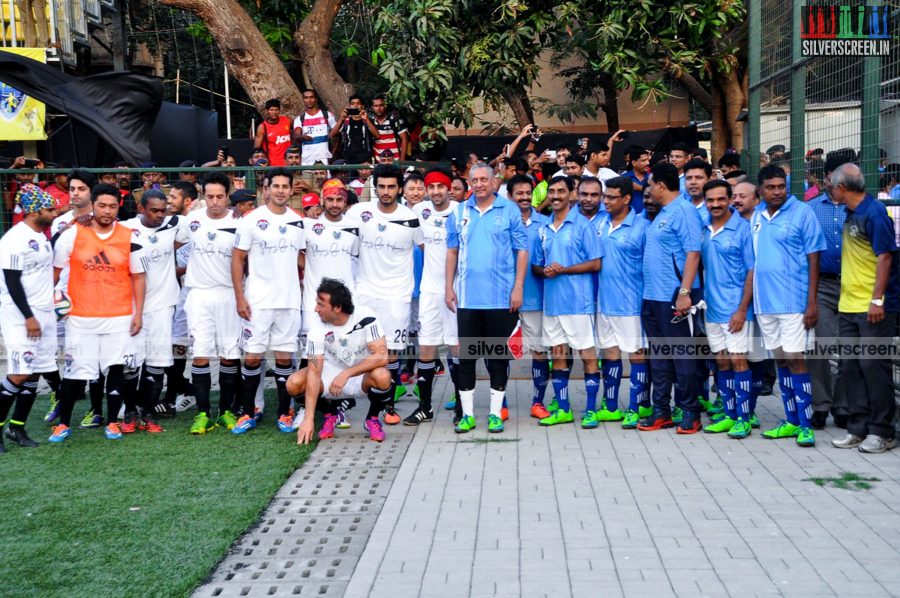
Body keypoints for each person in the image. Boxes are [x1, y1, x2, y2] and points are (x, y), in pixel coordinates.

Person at [48, 183, 147, 443]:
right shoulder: (73, 234)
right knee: (74, 373)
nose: (106, 211)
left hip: (118, 315)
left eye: (112, 206)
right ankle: (63, 424)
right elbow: (55, 272)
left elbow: (138, 277)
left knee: (114, 369)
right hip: (80, 316)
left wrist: (138, 314)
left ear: (118, 208)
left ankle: (112, 422)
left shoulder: (130, 236)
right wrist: (53, 300)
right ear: (92, 205)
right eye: (101, 205)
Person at [445, 163, 527, 433]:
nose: (479, 184)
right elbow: (452, 252)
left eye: (484, 179)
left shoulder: (510, 210)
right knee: (467, 358)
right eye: (474, 180)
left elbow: (522, 250)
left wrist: (518, 288)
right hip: (468, 300)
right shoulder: (459, 213)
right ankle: (467, 415)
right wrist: (449, 286)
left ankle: (494, 413)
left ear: (494, 182)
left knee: (497, 359)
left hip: (500, 299)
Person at [751, 165, 826, 447]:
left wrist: (811, 302)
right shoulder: (756, 216)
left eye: (781, 186)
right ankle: (791, 420)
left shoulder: (802, 212)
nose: (777, 191)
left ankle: (806, 425)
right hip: (765, 303)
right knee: (781, 360)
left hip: (794, 302)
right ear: (761, 190)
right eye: (770, 187)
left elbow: (813, 258)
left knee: (796, 359)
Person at [829, 164, 899, 453]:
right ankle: (857, 427)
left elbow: (886, 258)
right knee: (851, 366)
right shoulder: (851, 214)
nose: (828, 190)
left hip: (873, 306)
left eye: (831, 185)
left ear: (842, 188)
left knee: (873, 366)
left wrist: (877, 299)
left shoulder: (874, 213)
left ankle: (882, 431)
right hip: (849, 304)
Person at [345, 164, 423, 424]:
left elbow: (429, 251)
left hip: (397, 296)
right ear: (374, 187)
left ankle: (387, 407)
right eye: (381, 187)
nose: (386, 191)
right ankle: (345, 401)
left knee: (390, 353)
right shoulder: (358, 213)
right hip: (365, 294)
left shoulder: (412, 218)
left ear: (400, 188)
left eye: (391, 187)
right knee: (358, 350)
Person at [232, 167, 305, 435]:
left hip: (288, 301)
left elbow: (303, 258)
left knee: (285, 359)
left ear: (291, 189)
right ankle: (248, 412)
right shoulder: (251, 219)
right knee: (252, 358)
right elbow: (238, 258)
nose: (281, 191)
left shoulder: (299, 220)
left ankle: (284, 413)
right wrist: (240, 296)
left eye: (285, 186)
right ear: (266, 189)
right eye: (276, 186)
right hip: (258, 301)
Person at [637, 162, 704, 434]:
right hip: (652, 297)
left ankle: (690, 411)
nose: (648, 188)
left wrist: (685, 292)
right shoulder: (663, 213)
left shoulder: (684, 211)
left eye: (651, 183)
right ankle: (661, 411)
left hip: (675, 298)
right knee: (661, 357)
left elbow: (693, 253)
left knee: (682, 355)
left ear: (661, 185)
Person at [531, 176, 602, 428]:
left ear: (571, 194)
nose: (556, 196)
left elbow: (596, 263)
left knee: (587, 355)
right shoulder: (543, 228)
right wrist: (546, 271)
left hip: (577, 304)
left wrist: (564, 270)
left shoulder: (583, 225)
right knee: (558, 355)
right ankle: (563, 409)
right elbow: (536, 267)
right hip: (552, 304)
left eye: (561, 191)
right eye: (552, 191)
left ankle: (591, 410)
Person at [288, 279, 392, 444]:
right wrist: (309, 419)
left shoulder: (366, 316)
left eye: (321, 305)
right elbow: (314, 373)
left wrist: (347, 373)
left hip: (360, 374)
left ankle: (372, 418)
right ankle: (330, 414)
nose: (316, 309)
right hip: (329, 374)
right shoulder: (316, 326)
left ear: (337, 308)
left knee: (383, 376)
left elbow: (382, 356)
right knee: (294, 383)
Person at [120, 189, 190, 433]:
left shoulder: (174, 224)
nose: (161, 215)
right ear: (141, 209)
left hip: (162, 306)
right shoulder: (125, 228)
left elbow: (206, 223)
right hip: (131, 307)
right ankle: (129, 414)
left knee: (157, 363)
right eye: (154, 211)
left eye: (164, 210)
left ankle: (148, 415)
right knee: (130, 364)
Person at [182, 172, 243, 435]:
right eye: (210, 197)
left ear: (227, 196)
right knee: (201, 355)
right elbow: (162, 239)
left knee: (229, 355)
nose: (215, 202)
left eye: (220, 196)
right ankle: (203, 413)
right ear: (202, 197)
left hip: (230, 295)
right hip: (199, 295)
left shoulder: (240, 222)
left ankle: (226, 411)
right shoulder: (191, 221)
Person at [400, 167, 460, 426]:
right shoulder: (418, 211)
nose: (436, 192)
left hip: (456, 291)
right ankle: (425, 407)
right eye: (431, 187)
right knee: (426, 348)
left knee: (457, 348)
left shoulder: (461, 210)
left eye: (441, 187)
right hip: (428, 291)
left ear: (449, 188)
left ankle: (462, 403)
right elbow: (420, 243)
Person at [0, 185, 59, 450]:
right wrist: (28, 316)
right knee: (20, 373)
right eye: (50, 209)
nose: (55, 212)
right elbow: (12, 282)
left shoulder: (41, 235)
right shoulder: (14, 239)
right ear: (35, 211)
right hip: (21, 316)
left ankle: (17, 428)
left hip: (44, 313)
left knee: (34, 373)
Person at [302, 178, 360, 437]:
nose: (334, 204)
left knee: (342, 356)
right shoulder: (309, 226)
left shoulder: (354, 228)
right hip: (314, 307)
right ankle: (313, 411)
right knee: (314, 360)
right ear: (321, 200)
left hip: (343, 309)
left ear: (345, 202)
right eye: (330, 199)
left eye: (339, 199)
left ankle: (340, 408)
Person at [698, 180, 755, 439]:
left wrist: (742, 309)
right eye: (710, 200)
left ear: (730, 198)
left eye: (721, 199)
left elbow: (751, 272)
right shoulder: (702, 228)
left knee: (738, 361)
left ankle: (744, 417)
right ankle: (729, 414)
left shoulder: (743, 230)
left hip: (735, 310)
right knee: (721, 362)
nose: (715, 204)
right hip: (712, 309)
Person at [595, 176, 651, 429]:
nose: (605, 201)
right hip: (604, 302)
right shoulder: (600, 223)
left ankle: (636, 407)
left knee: (637, 356)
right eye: (604, 197)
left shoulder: (641, 227)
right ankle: (610, 406)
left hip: (631, 304)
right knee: (610, 354)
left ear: (627, 199)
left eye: (611, 197)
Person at [807, 152, 854, 429]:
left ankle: (843, 406)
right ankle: (821, 405)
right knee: (820, 347)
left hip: (854, 284)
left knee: (850, 349)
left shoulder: (859, 207)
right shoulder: (811, 209)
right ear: (826, 178)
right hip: (822, 285)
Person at [293, 89, 338, 165]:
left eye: (311, 97)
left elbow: (337, 134)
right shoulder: (300, 119)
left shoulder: (327, 115)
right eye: (306, 98)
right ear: (303, 100)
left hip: (324, 159)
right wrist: (301, 137)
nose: (309, 100)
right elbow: (296, 135)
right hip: (306, 161)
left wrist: (332, 154)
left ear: (316, 99)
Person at [334, 95, 379, 165]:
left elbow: (377, 136)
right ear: (350, 106)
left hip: (365, 160)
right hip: (349, 160)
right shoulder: (346, 121)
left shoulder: (368, 120)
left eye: (358, 103)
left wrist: (366, 120)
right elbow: (332, 134)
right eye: (353, 104)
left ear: (362, 106)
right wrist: (341, 119)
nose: (355, 105)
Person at [254, 99, 294, 167]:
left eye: (276, 109)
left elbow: (297, 129)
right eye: (271, 110)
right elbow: (256, 149)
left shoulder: (286, 120)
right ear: (267, 111)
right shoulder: (262, 127)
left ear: (279, 111)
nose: (274, 112)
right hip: (273, 165)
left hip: (289, 163)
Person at [371, 94, 409, 160]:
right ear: (372, 107)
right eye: (376, 106)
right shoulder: (370, 121)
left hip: (395, 160)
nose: (378, 108)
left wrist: (402, 160)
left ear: (385, 106)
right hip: (378, 162)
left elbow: (404, 138)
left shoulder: (395, 118)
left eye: (381, 105)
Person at [683, 158, 712, 226]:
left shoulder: (716, 208)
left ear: (709, 180)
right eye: (689, 178)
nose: (693, 182)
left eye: (698, 178)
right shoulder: (679, 207)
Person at [624, 145, 649, 213]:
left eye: (648, 160)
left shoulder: (652, 177)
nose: (648, 163)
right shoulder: (624, 178)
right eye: (644, 160)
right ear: (634, 163)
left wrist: (640, 188)